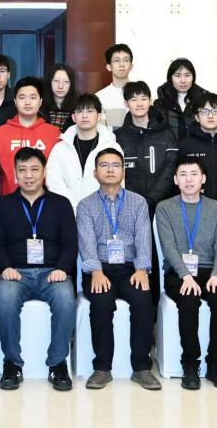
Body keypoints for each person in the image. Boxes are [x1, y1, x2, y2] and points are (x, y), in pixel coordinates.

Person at [0, 148, 78, 392]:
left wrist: (62, 268)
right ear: (15, 174)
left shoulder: (61, 204)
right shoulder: (2, 205)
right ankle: (12, 363)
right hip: (16, 273)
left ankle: (58, 363)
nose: (28, 175)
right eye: (22, 170)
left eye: (34, 169)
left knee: (65, 299)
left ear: (44, 172)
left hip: (52, 272)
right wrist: (6, 267)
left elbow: (70, 243)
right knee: (5, 298)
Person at [77, 148, 160, 391]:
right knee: (101, 302)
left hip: (131, 269)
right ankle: (102, 368)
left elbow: (143, 238)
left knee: (143, 299)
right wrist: (95, 271)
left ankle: (142, 368)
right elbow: (86, 242)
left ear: (124, 171)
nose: (110, 170)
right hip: (99, 269)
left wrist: (142, 269)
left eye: (115, 165)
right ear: (95, 173)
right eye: (104, 165)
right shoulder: (86, 205)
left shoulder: (138, 202)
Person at [154, 155, 217, 390]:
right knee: (188, 300)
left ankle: (216, 365)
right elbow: (168, 247)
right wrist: (186, 276)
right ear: (175, 180)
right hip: (178, 273)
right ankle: (190, 364)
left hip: (210, 272)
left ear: (203, 179)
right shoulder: (164, 208)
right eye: (183, 175)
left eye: (194, 174)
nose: (189, 180)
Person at [45, 93, 119, 208]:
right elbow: (53, 182)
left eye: (90, 111)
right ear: (73, 117)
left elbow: (116, 183)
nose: (84, 116)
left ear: (99, 116)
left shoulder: (112, 147)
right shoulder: (60, 148)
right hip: (67, 211)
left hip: (103, 211)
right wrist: (73, 206)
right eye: (80, 111)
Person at [0, 77, 60, 196]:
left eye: (33, 97)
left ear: (40, 102)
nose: (27, 102)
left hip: (46, 201)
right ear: (15, 101)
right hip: (8, 201)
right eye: (22, 98)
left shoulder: (54, 134)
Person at [115, 81, 178, 207]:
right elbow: (117, 171)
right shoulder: (118, 137)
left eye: (143, 99)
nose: (139, 104)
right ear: (126, 103)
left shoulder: (166, 134)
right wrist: (136, 200)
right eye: (134, 100)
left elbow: (171, 168)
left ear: (150, 101)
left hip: (163, 204)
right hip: (129, 204)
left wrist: (152, 198)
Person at [154, 57, 209, 141]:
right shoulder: (162, 101)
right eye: (177, 75)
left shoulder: (204, 99)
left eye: (187, 75)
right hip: (169, 148)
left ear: (193, 77)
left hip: (197, 147)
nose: (183, 80)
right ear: (170, 77)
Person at [94, 44, 134, 128]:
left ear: (131, 66)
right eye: (116, 60)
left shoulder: (142, 93)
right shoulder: (99, 97)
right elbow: (101, 131)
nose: (122, 64)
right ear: (109, 67)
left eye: (126, 60)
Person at [41, 64, 79, 132]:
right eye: (56, 81)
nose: (60, 86)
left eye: (66, 82)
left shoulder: (79, 108)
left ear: (71, 85)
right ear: (50, 82)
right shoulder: (39, 107)